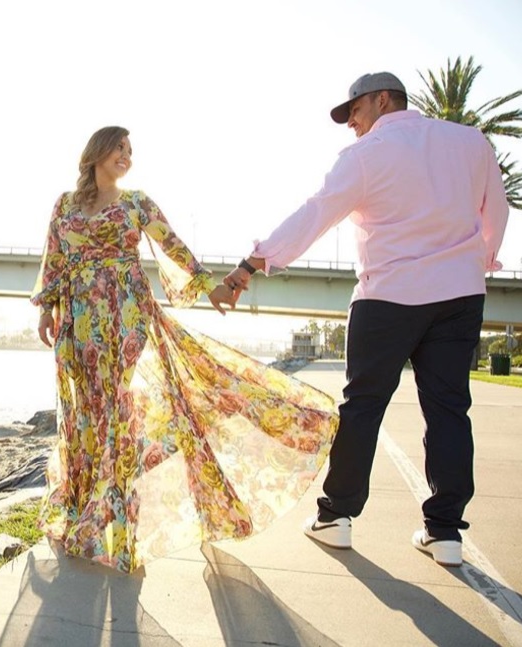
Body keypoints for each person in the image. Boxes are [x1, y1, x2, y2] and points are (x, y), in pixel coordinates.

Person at [223, 72, 509, 567]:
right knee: (448, 410)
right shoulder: (471, 142)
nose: (351, 123)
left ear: (382, 101)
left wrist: (255, 262)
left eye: (354, 111)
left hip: (388, 297)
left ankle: (335, 519)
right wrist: (478, 260)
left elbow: (317, 214)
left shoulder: (366, 156)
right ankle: (444, 534)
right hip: (460, 295)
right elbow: (496, 211)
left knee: (363, 407)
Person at [31, 125, 339, 573]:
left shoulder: (136, 203)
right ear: (97, 152)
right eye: (120, 148)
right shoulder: (64, 205)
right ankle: (86, 512)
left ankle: (116, 527)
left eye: (130, 151)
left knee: (113, 413)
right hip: (77, 323)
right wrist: (47, 310)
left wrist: (209, 287)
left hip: (124, 315)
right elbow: (53, 260)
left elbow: (172, 245)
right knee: (84, 416)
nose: (127, 157)